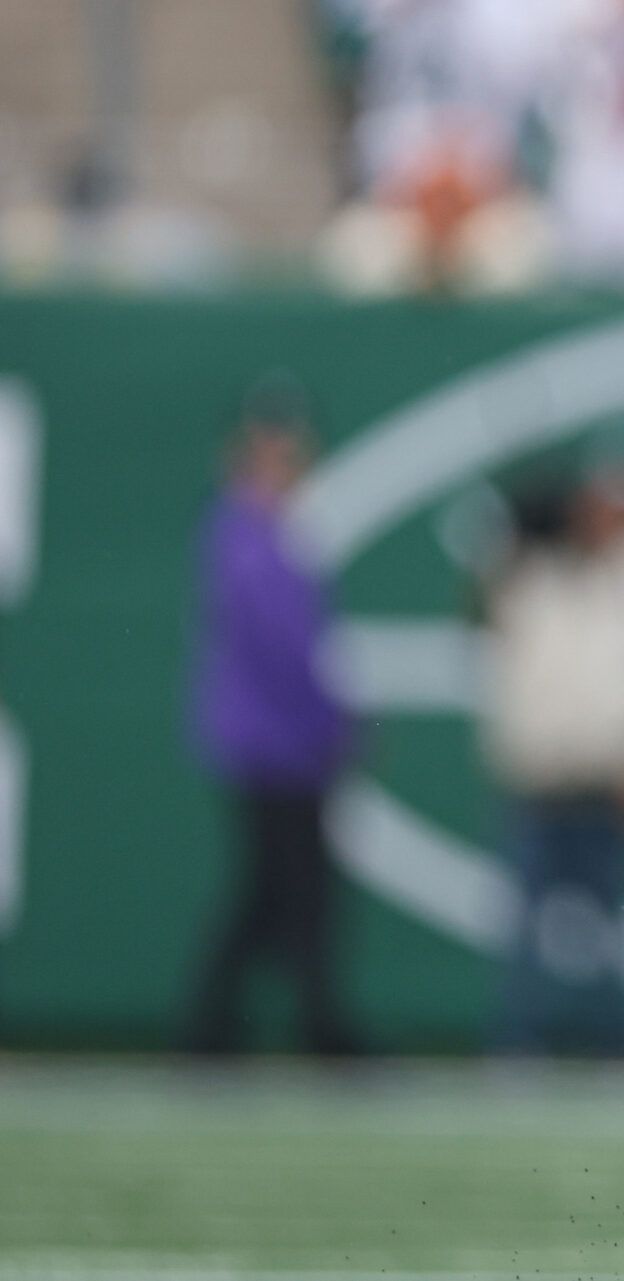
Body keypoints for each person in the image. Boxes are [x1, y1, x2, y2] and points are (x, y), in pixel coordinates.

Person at [186, 379, 360, 1056]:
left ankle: (223, 1025)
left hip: (279, 740)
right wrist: (328, 722)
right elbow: (283, 649)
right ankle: (302, 1026)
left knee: (274, 892)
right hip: (274, 745)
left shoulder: (266, 533)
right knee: (289, 893)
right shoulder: (247, 536)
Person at [479, 472, 624, 1055]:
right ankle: (522, 1042)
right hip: (537, 780)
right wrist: (537, 528)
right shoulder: (535, 575)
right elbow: (484, 600)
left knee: (610, 923)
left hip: (609, 782)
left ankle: (611, 1043)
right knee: (527, 922)